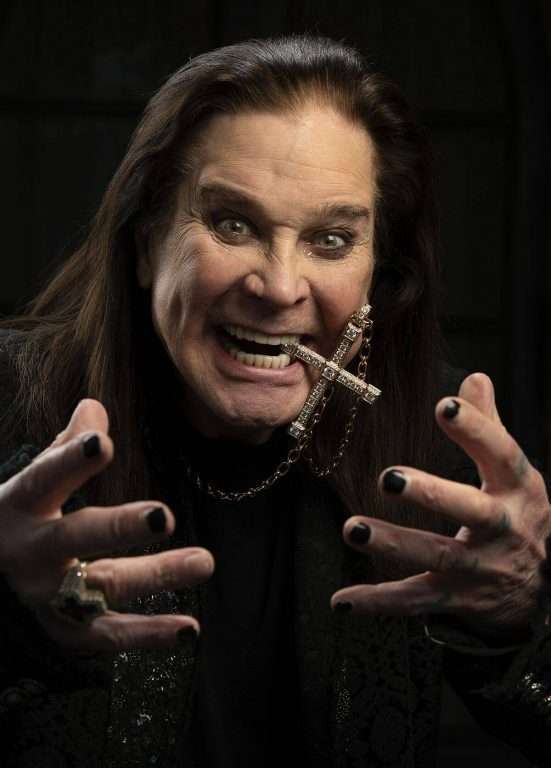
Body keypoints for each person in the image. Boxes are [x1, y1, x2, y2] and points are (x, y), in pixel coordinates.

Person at [0, 34, 550, 768]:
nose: (279, 287)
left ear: (376, 275)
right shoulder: (10, 398)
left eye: (331, 240)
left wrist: (519, 614)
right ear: (146, 243)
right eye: (233, 224)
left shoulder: (440, 447)